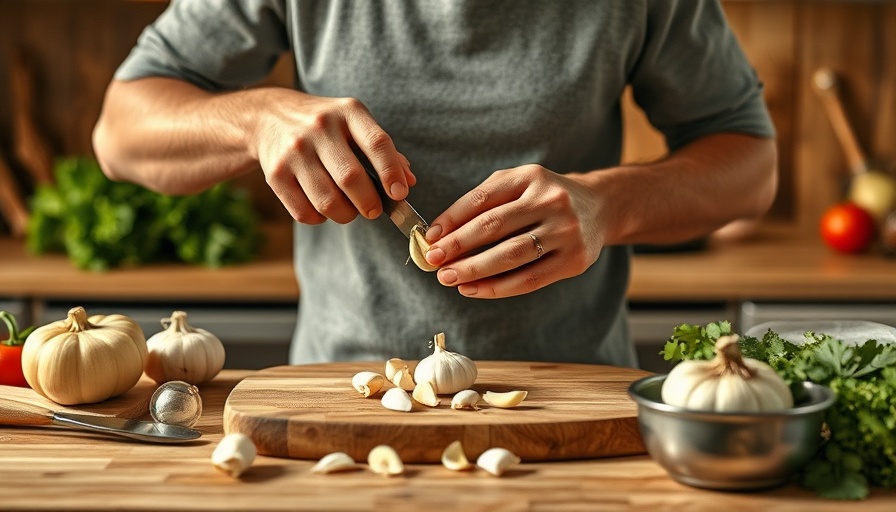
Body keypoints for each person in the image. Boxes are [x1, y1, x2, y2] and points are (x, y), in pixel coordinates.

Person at [93, 1, 777, 368]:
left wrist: (607, 205)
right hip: (343, 395)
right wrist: (256, 120)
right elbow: (121, 134)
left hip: (574, 396)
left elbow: (751, 165)